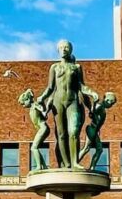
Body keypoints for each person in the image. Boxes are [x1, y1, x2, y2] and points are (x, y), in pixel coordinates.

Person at [37, 40, 98, 169]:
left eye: (66, 47)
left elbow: (81, 86)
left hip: (73, 101)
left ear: (70, 50)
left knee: (74, 131)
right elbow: (50, 88)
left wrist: (92, 93)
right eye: (61, 47)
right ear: (58, 50)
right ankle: (66, 164)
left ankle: (75, 162)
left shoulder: (77, 67)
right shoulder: (54, 67)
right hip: (58, 102)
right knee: (61, 134)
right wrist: (42, 97)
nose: (64, 49)